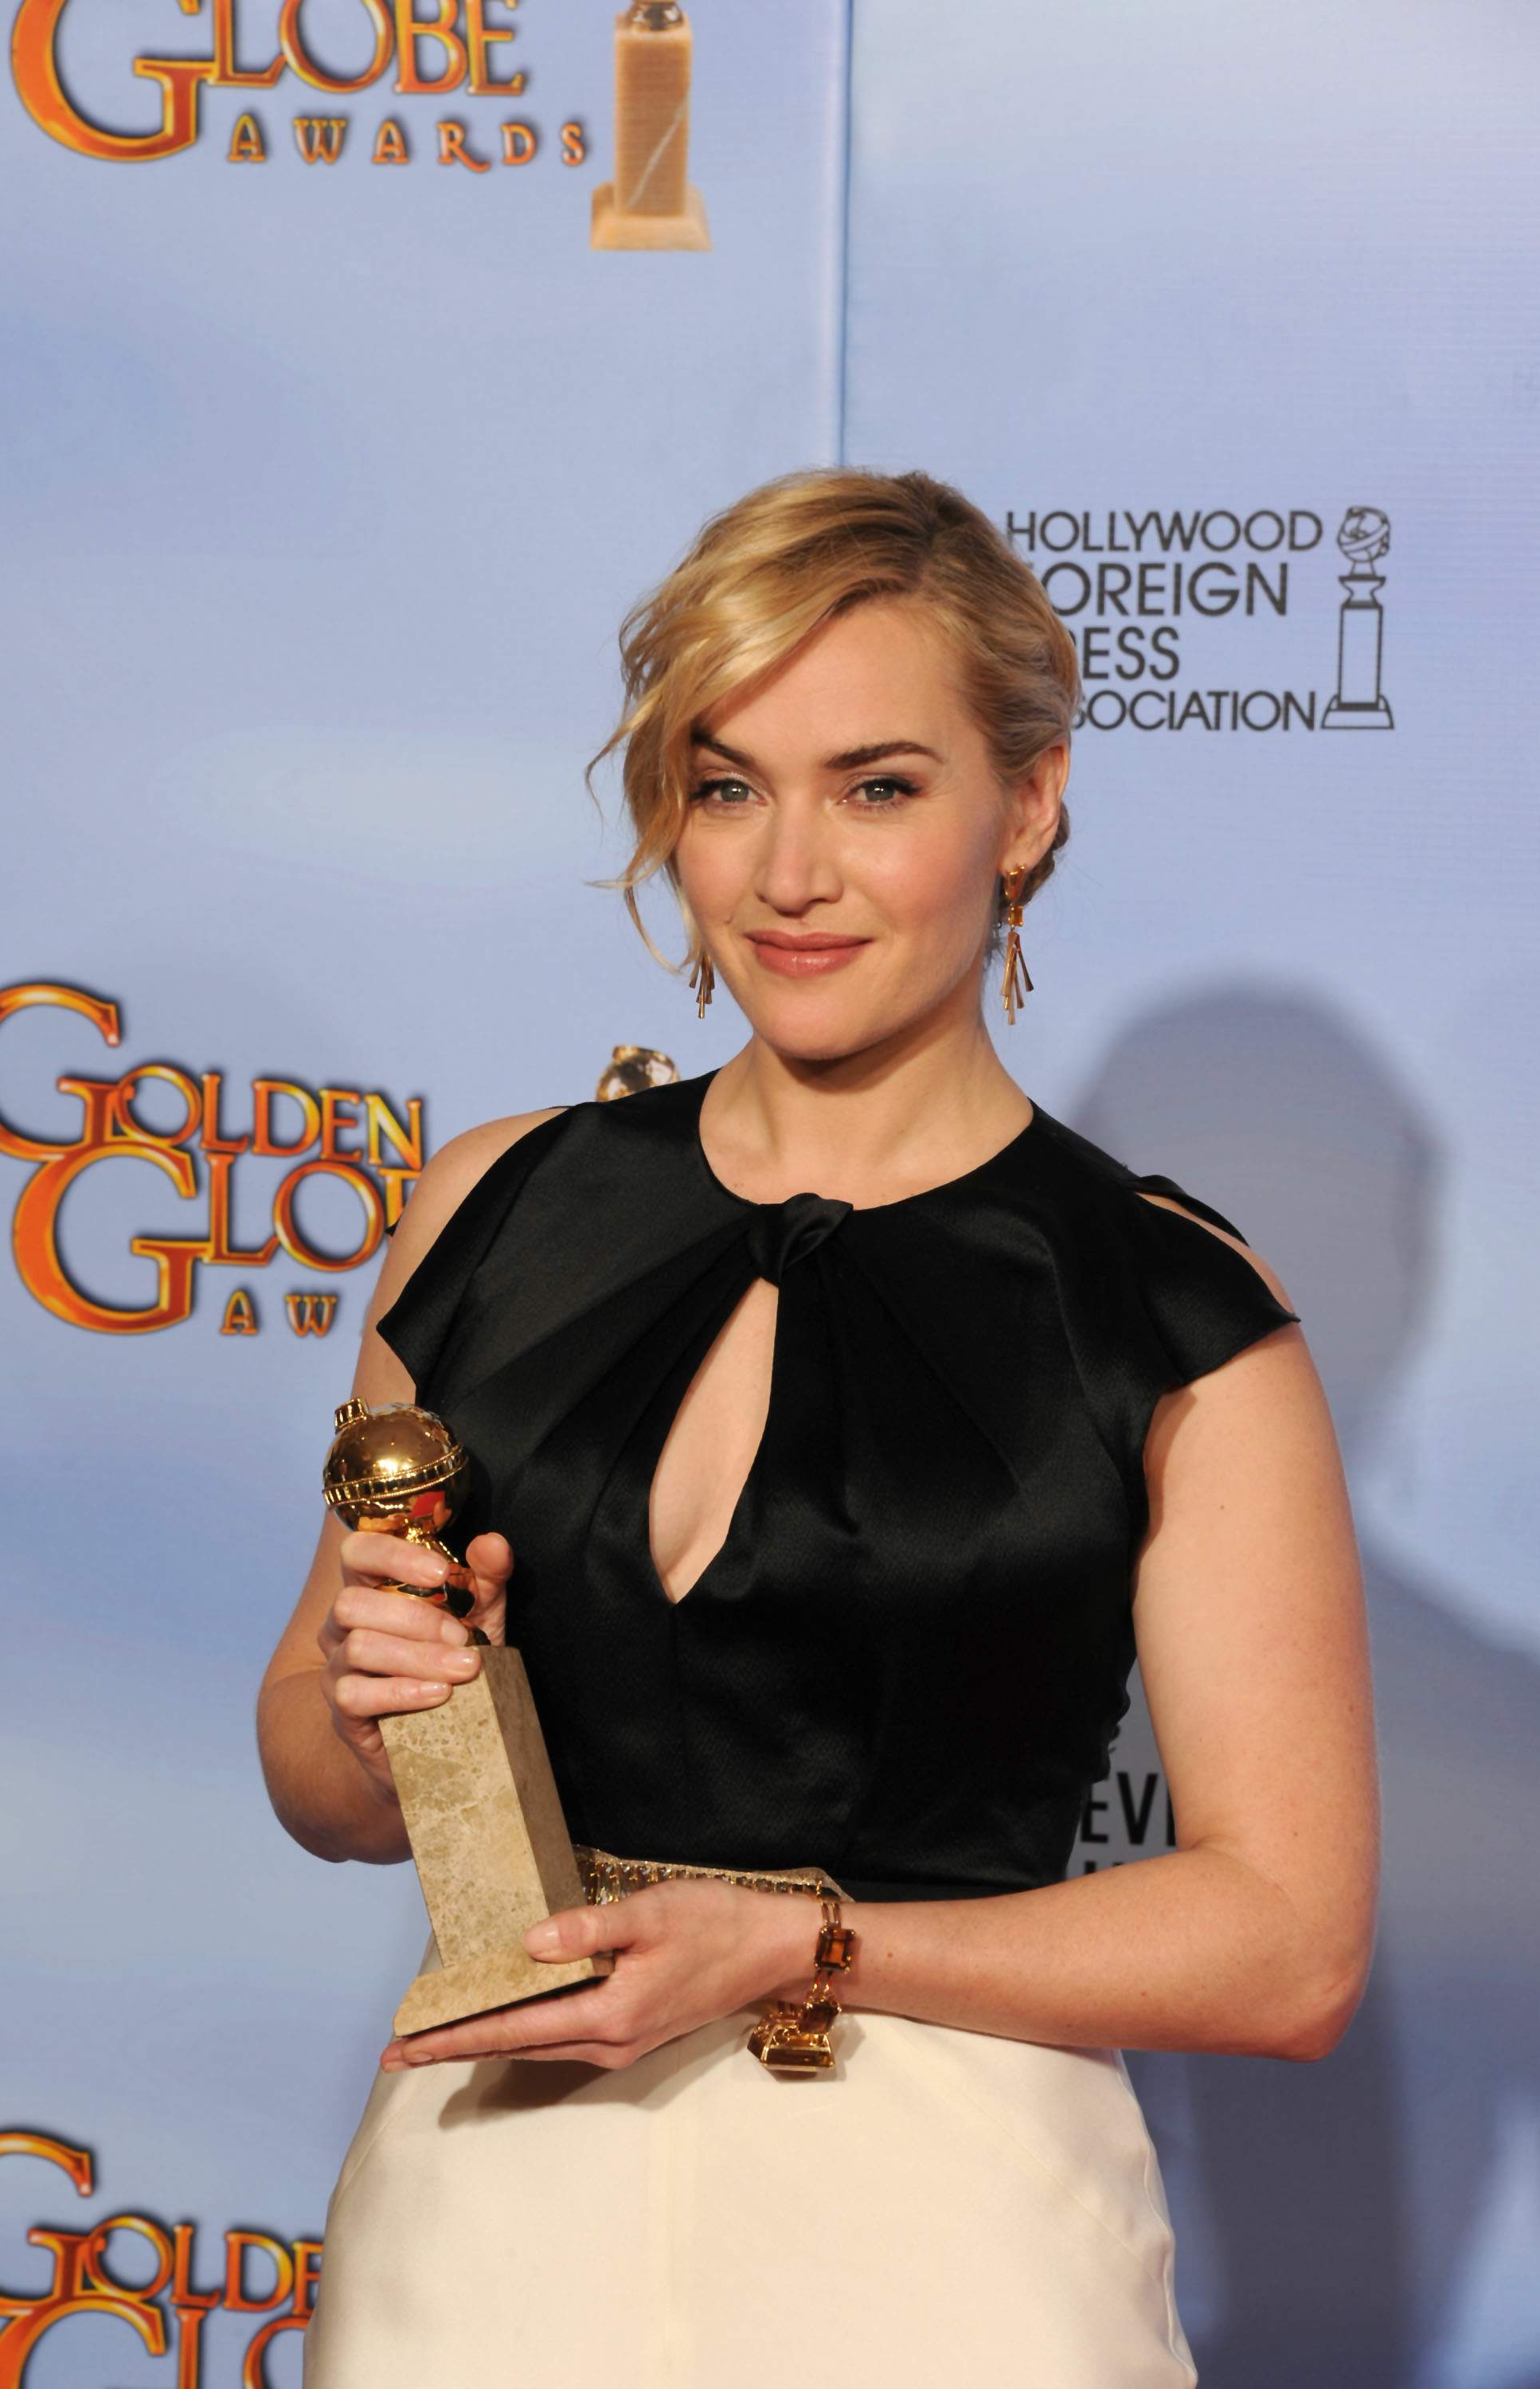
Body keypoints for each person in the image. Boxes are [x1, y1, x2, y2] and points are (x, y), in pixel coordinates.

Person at [257, 466, 1379, 2387]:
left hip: (948, 2236)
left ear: (1026, 806)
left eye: (876, 787)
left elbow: (1291, 1947)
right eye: (727, 787)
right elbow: (322, 1783)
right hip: (490, 2224)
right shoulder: (492, 1211)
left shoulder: (1167, 1307)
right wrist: (383, 1718)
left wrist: (809, 1946)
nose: (789, 873)